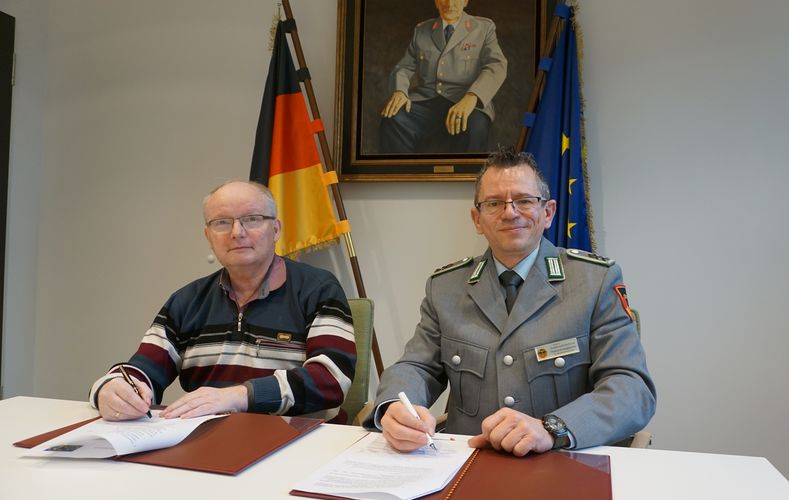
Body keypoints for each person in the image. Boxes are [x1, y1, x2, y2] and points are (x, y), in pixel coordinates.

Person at [364, 147, 656, 456]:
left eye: (525, 200)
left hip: (561, 463)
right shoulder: (446, 287)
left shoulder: (594, 282)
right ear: (477, 219)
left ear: (548, 213)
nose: (510, 212)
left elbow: (631, 389)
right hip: (468, 463)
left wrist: (552, 429)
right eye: (494, 203)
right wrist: (395, 406)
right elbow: (416, 366)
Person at [89, 180, 356, 422]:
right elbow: (143, 369)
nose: (237, 232)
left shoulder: (317, 289)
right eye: (222, 223)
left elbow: (330, 380)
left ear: (275, 229)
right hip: (207, 438)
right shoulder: (187, 301)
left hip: (301, 442)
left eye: (252, 219)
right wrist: (112, 388)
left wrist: (238, 396)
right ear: (208, 237)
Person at [379, 0, 507, 153]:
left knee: (475, 126)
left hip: (465, 100)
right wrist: (399, 91)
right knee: (393, 119)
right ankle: (404, 175)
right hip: (426, 102)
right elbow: (404, 67)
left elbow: (496, 65)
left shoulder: (483, 28)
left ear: (465, 1)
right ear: (436, 2)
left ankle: (468, 178)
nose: (449, 3)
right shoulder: (422, 30)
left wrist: (472, 97)